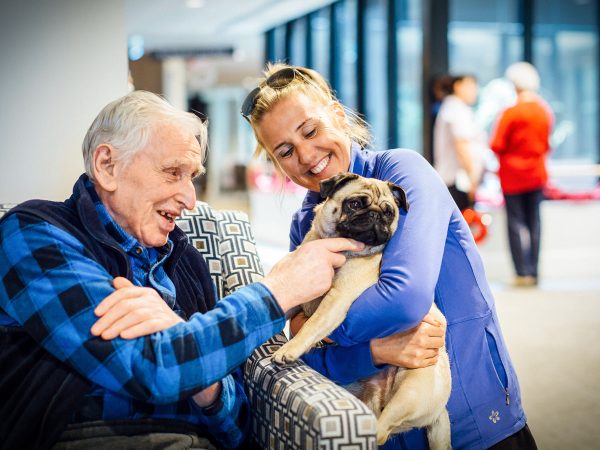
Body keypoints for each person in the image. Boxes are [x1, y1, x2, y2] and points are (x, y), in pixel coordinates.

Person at [0, 90, 427, 450]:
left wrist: (203, 378)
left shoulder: (183, 260)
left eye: (193, 176)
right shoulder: (36, 234)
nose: (189, 198)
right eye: (173, 173)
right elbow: (152, 371)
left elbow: (238, 422)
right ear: (107, 166)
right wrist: (276, 292)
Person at [241, 64, 538, 450]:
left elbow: (405, 300)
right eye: (285, 151)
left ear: (335, 112)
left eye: (310, 131)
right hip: (380, 431)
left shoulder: (403, 170)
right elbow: (306, 356)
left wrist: (314, 327)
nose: (307, 155)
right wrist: (372, 351)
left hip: (473, 419)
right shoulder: (308, 223)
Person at [490, 62, 553, 287]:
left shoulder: (511, 112)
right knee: (535, 222)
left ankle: (521, 273)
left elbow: (496, 144)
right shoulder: (544, 111)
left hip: (513, 176)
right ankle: (534, 272)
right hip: (537, 173)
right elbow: (547, 144)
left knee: (515, 223)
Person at [433, 74, 487, 211]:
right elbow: (461, 145)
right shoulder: (455, 108)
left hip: (458, 180)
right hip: (456, 180)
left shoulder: (458, 108)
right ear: (457, 87)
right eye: (470, 87)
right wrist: (472, 176)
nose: (475, 91)